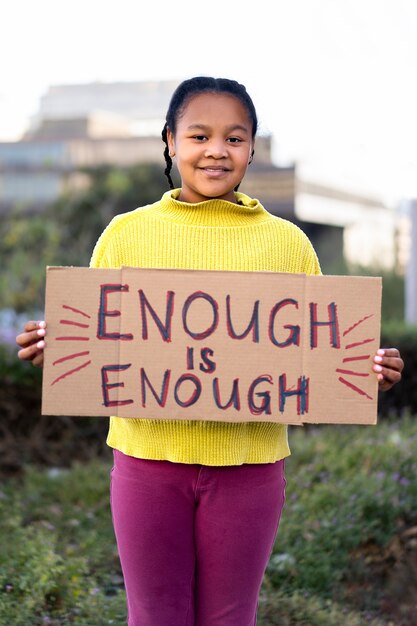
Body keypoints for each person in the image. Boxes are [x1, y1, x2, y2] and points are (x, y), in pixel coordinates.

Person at [16, 76, 404, 626]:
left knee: (230, 617)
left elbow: (316, 352)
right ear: (171, 141)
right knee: (154, 616)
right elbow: (96, 336)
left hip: (250, 467)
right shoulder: (125, 234)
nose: (216, 150)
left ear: (251, 148)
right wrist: (55, 346)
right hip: (146, 461)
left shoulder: (289, 243)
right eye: (199, 135)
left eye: (235, 138)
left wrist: (364, 368)